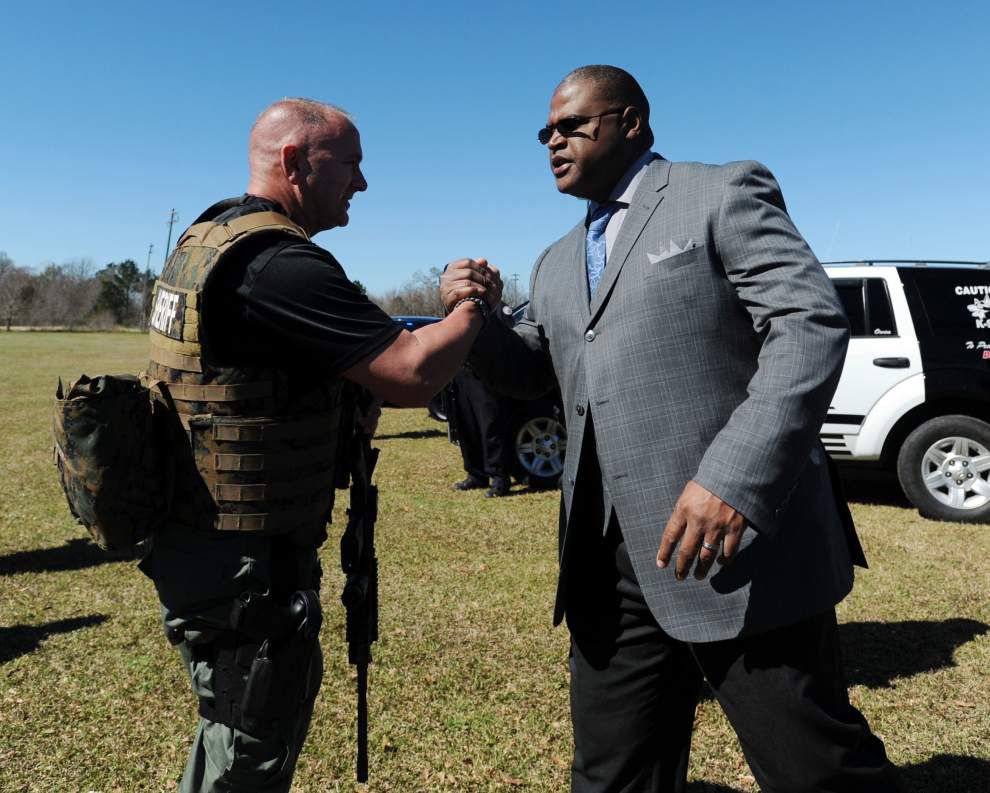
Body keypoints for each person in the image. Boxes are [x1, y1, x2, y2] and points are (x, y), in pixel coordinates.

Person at [441, 66, 899, 792]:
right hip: (606, 559)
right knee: (613, 772)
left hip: (733, 544)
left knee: (812, 762)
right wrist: (476, 319)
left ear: (632, 123)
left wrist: (734, 478)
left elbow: (809, 324)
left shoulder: (720, 192)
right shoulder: (556, 262)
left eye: (572, 126)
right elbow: (537, 372)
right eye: (545, 133)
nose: (552, 141)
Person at [141, 98, 501, 793]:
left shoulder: (213, 236)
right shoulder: (279, 264)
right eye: (352, 165)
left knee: (234, 727)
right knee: (248, 746)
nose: (362, 184)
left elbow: (337, 353)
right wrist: (473, 306)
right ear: (295, 162)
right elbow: (411, 371)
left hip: (202, 540)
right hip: (243, 561)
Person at [450, 306, 515, 497]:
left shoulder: (494, 306)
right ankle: (475, 474)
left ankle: (499, 477)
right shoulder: (456, 308)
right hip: (462, 373)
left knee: (491, 427)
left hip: (486, 375)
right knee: (466, 425)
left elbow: (506, 338)